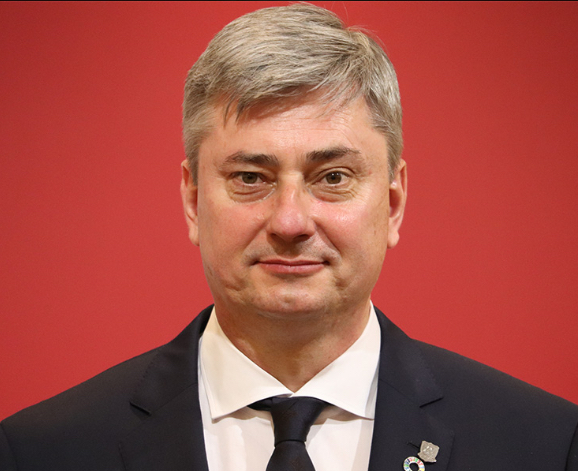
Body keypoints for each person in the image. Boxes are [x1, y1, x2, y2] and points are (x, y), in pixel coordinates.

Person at [1, 4, 576, 471]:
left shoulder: (546, 446)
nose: (291, 222)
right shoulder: (39, 452)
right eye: (250, 178)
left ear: (394, 202)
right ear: (194, 200)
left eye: (333, 177)